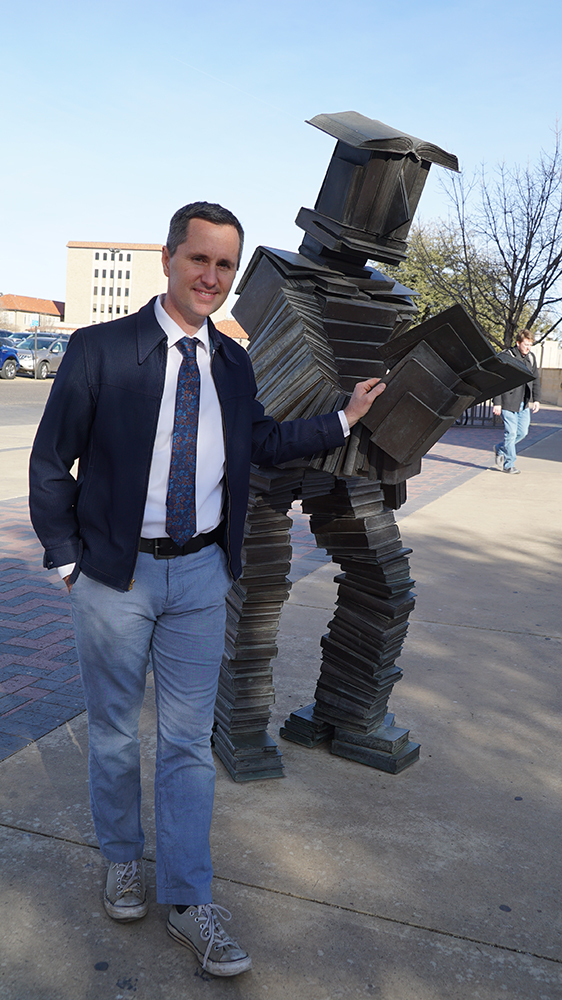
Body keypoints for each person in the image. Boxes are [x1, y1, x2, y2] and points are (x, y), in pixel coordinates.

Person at [28, 202, 386, 978]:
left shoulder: (231, 361)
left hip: (198, 574)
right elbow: (52, 462)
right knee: (118, 734)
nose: (211, 278)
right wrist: (66, 564)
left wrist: (341, 418)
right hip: (114, 576)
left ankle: (190, 899)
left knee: (187, 743)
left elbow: (257, 441)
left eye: (225, 266)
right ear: (168, 259)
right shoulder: (100, 350)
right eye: (200, 260)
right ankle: (123, 859)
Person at [493, 329, 541, 475]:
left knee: (522, 432)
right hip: (507, 401)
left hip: (523, 403)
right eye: (525, 344)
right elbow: (497, 381)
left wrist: (536, 399)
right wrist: (497, 402)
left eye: (530, 345)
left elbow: (536, 380)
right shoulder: (506, 356)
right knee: (511, 433)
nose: (528, 348)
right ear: (518, 343)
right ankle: (509, 464)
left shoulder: (531, 358)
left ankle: (500, 448)